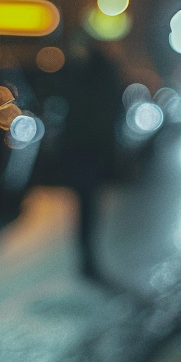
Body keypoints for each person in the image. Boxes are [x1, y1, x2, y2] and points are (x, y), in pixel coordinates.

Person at [59, 30, 121, 282]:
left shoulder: (97, 72)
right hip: (81, 147)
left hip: (92, 148)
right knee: (85, 204)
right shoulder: (78, 70)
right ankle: (86, 258)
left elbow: (105, 112)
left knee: (88, 204)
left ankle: (88, 257)